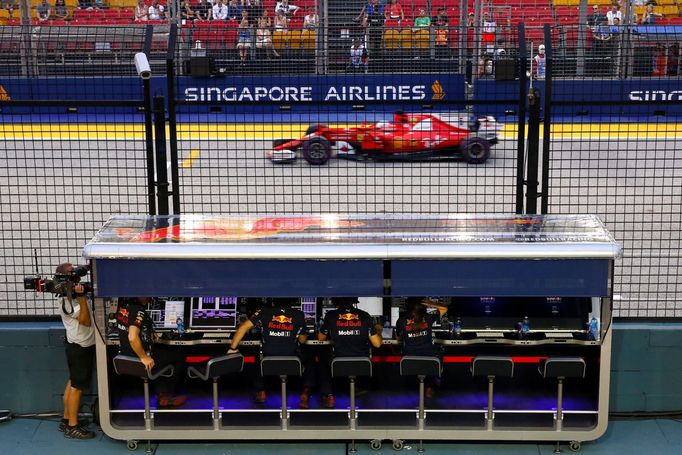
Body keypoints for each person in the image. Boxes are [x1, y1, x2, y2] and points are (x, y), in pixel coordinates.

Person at [227, 298, 314, 408]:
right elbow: (302, 340)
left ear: (273, 300)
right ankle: (305, 392)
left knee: (256, 355)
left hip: (268, 359)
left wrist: (233, 349)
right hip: (292, 359)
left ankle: (260, 390)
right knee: (310, 355)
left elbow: (243, 328)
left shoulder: (264, 312)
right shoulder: (299, 314)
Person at [115, 297, 187, 408]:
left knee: (159, 355)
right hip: (139, 359)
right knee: (179, 355)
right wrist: (144, 357)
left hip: (125, 357)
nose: (150, 299)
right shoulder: (138, 310)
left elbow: (128, 328)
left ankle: (162, 394)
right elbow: (132, 337)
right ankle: (166, 395)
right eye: (147, 295)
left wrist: (148, 334)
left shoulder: (123, 307)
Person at [317, 297, 383, 409]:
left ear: (335, 301)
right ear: (354, 302)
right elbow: (377, 344)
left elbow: (320, 338)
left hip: (339, 365)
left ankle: (328, 394)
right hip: (362, 365)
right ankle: (358, 387)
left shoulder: (331, 316)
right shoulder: (365, 316)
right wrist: (378, 331)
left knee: (323, 356)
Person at [56, 263, 97, 440]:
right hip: (80, 346)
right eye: (74, 275)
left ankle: (66, 419)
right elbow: (86, 321)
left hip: (77, 344)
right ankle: (73, 426)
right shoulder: (69, 301)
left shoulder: (69, 296)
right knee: (77, 387)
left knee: (72, 382)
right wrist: (82, 296)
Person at [395, 298, 448, 397]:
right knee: (437, 352)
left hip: (409, 360)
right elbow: (444, 309)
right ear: (423, 307)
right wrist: (430, 303)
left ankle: (425, 385)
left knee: (425, 357)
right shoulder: (428, 317)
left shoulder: (401, 321)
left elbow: (398, 337)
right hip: (430, 359)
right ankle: (431, 385)